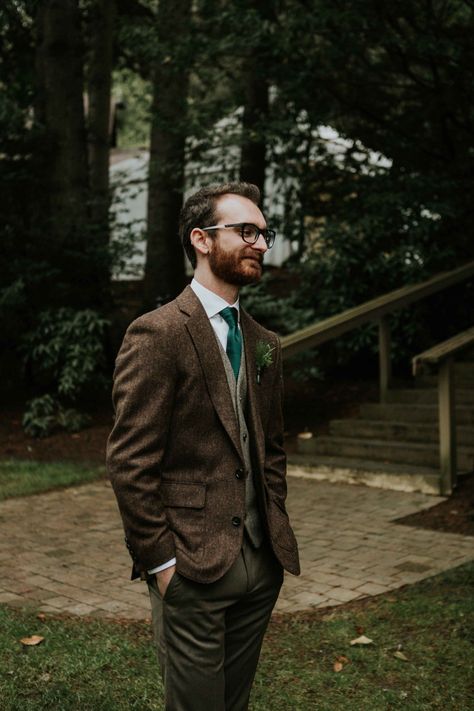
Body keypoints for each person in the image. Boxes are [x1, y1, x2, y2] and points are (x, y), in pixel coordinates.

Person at [106, 182, 300, 711]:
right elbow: (129, 461)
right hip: (189, 567)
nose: (261, 243)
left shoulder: (264, 343)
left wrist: (273, 525)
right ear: (202, 239)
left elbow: (272, 448)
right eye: (246, 231)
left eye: (264, 233)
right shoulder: (158, 333)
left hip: (260, 567)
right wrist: (162, 565)